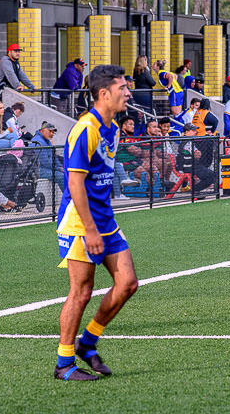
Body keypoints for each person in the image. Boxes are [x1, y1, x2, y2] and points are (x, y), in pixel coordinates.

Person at [54, 64, 139, 381]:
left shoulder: (113, 127)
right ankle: (63, 364)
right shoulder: (85, 129)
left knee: (128, 283)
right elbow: (75, 184)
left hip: (106, 220)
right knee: (81, 292)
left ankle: (87, 343)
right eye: (122, 89)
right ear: (104, 94)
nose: (128, 93)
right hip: (81, 222)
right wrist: (90, 229)